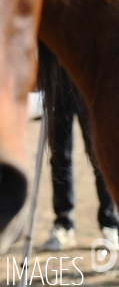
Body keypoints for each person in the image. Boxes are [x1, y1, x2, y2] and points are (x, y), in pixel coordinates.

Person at [40, 71, 119, 251]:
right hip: (57, 85)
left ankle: (110, 223)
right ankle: (63, 224)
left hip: (87, 84)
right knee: (60, 158)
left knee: (99, 156)